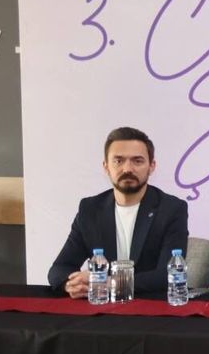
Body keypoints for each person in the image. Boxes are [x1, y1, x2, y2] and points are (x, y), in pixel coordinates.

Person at [48, 127, 189, 298]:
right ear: (106, 167)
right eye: (118, 161)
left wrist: (107, 282)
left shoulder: (171, 209)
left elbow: (167, 275)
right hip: (100, 308)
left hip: (150, 306)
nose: (127, 169)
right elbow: (59, 269)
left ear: (152, 166)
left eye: (137, 161)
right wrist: (71, 284)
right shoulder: (90, 209)